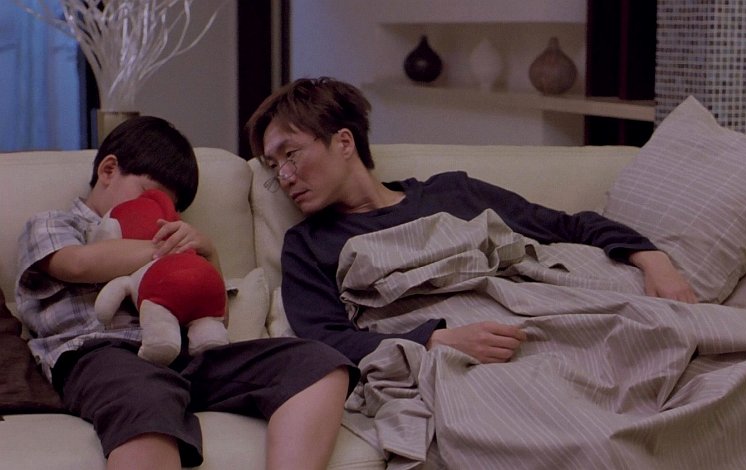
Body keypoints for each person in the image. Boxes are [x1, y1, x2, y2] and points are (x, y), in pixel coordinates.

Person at [245, 77, 697, 366]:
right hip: (470, 359)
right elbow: (326, 341)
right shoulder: (308, 244)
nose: (284, 176)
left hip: (541, 320)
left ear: (344, 142)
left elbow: (568, 226)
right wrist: (435, 342)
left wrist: (653, 260)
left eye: (291, 154)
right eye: (273, 166)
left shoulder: (452, 192)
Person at [15, 116, 358, 470]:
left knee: (319, 363)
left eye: (170, 207)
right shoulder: (55, 223)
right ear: (108, 170)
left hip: (184, 356)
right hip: (100, 354)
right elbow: (77, 264)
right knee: (146, 397)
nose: (160, 213)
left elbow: (213, 318)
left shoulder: (171, 236)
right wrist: (164, 250)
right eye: (149, 196)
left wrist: (209, 258)